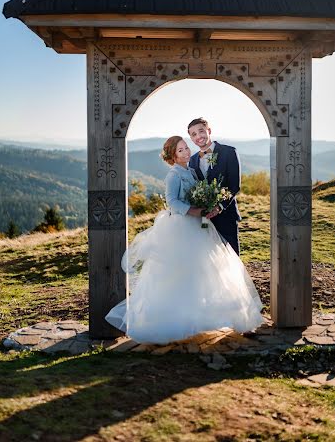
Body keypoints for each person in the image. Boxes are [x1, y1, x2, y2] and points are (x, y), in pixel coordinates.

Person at [105, 135, 263, 344]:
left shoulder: (190, 170)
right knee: (180, 274)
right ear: (173, 156)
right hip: (182, 226)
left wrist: (206, 204)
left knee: (204, 272)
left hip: (198, 226)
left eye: (186, 148)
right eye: (180, 150)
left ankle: (202, 317)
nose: (186, 152)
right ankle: (177, 321)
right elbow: (172, 202)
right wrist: (193, 210)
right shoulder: (173, 175)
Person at [188, 118, 241, 255]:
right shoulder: (192, 160)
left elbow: (234, 185)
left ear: (209, 131)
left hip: (226, 214)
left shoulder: (229, 152)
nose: (198, 136)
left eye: (201, 131)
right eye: (193, 134)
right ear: (191, 138)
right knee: (210, 258)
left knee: (231, 255)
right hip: (204, 218)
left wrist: (219, 207)